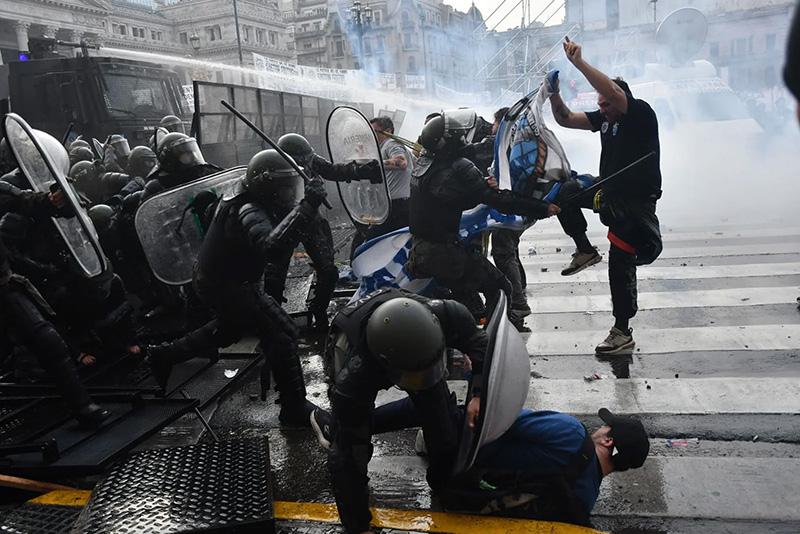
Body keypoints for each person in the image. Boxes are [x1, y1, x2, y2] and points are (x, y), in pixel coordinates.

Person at [146, 149, 326, 426]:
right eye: (284, 187)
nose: (289, 194)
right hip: (229, 285)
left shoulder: (249, 195)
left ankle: (163, 355)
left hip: (226, 280)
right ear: (266, 184)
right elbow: (272, 247)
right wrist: (307, 207)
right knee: (283, 335)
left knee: (228, 329)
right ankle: (294, 409)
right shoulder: (247, 208)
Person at [313, 288, 490, 534]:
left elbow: (482, 345)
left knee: (441, 422)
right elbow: (348, 460)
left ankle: (445, 484)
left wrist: (479, 393)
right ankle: (332, 425)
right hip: (355, 347)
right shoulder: (353, 377)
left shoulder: (448, 314)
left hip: (408, 344)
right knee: (352, 440)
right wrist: (358, 527)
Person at [312, 399, 649, 528]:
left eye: (605, 427)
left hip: (456, 466)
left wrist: (479, 400)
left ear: (608, 440)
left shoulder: (572, 434)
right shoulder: (584, 501)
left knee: (433, 400)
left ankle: (341, 431)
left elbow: (500, 417)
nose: (600, 427)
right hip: (467, 497)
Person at [549, 38, 662, 354]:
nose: (602, 110)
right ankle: (584, 249)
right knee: (566, 191)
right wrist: (553, 93)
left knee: (620, 264)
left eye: (606, 104)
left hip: (634, 201)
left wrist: (579, 64)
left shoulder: (639, 114)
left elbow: (613, 93)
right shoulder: (606, 119)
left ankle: (621, 331)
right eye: (599, 105)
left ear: (621, 99)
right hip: (608, 188)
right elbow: (566, 119)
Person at [406, 109, 560, 319]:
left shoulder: (423, 166)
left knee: (469, 306)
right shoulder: (458, 168)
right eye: (458, 137)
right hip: (445, 255)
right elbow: (499, 201)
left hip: (422, 252)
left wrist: (477, 190)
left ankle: (473, 337)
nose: (463, 140)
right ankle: (494, 343)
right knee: (501, 287)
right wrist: (542, 208)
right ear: (446, 143)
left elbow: (450, 199)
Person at [0, 180, 110, 427]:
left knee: (48, 340)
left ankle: (83, 407)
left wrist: (50, 201)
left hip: (3, 284)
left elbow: (20, 200)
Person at [269, 132, 380, 330]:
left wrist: (360, 170)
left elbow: (333, 170)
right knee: (275, 276)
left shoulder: (311, 160)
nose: (305, 163)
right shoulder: (274, 166)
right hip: (285, 222)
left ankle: (318, 310)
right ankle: (272, 321)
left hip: (311, 220)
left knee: (328, 271)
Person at [487, 107, 531, 331]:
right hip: (520, 207)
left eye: (495, 123)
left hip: (516, 207)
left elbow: (513, 176)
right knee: (510, 251)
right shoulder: (515, 141)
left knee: (504, 251)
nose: (492, 127)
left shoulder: (512, 144)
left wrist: (498, 184)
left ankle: (518, 305)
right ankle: (519, 297)